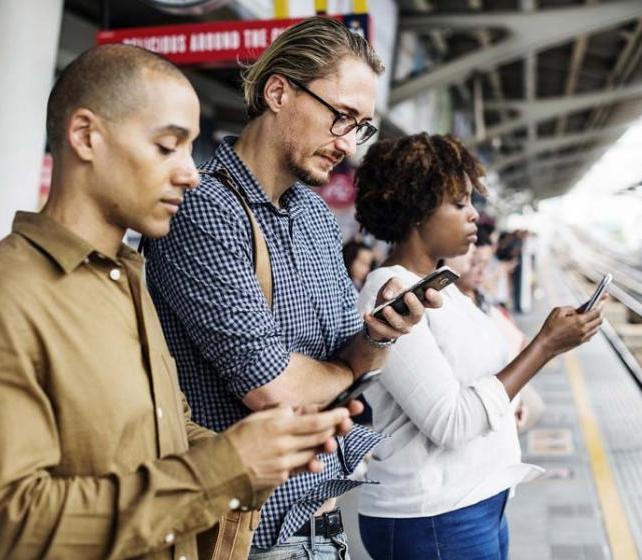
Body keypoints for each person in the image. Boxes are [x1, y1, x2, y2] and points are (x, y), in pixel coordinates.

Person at [0, 44, 361, 560]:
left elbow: (168, 431)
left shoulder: (127, 279)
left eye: (189, 149)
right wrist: (225, 466)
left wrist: (268, 451)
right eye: (166, 147)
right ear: (86, 137)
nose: (190, 173)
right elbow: (14, 528)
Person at [144, 16, 440, 559]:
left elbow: (356, 370)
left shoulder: (315, 216)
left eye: (361, 127)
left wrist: (378, 336)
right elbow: (272, 389)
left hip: (321, 529)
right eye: (341, 117)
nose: (348, 144)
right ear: (278, 91)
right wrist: (348, 366)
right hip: (247, 537)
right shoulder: (205, 210)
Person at [353, 133, 605, 559]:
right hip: (432, 517)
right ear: (417, 209)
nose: (475, 216)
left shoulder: (442, 289)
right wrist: (545, 346)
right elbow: (451, 422)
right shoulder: (390, 294)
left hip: (476, 503)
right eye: (459, 204)